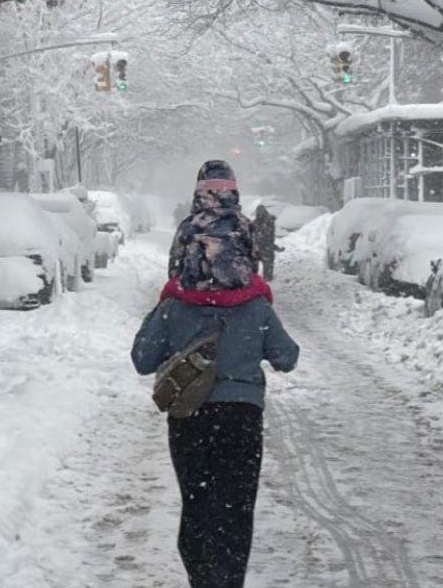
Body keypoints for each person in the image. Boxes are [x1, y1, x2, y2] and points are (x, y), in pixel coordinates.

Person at [133, 159, 300, 588]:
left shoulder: (175, 304)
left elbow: (142, 358)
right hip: (241, 416)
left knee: (198, 503)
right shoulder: (257, 306)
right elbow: (286, 356)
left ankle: (202, 579)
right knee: (236, 509)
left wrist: (173, 307)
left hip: (190, 415)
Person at [251, 204, 283, 281]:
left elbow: (267, 237)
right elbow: (268, 238)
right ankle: (265, 280)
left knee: (257, 274)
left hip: (260, 249)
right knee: (264, 273)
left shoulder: (258, 223)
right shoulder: (267, 222)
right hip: (264, 249)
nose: (259, 214)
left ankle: (261, 281)